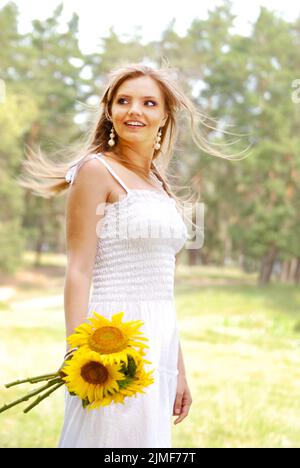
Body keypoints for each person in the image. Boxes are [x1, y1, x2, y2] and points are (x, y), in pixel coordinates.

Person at [19, 61, 249, 448]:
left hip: (158, 337)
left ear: (164, 116)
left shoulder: (159, 184)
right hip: (111, 338)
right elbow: (78, 269)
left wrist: (179, 369)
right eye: (123, 100)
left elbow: (162, 288)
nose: (134, 111)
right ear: (109, 111)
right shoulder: (96, 171)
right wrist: (78, 351)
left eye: (148, 103)